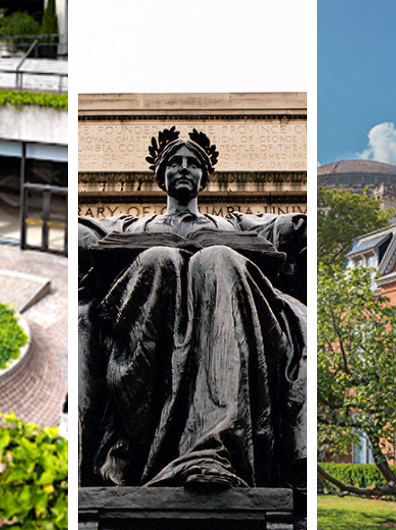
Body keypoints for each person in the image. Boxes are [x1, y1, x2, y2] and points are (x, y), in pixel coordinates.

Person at [79, 128, 306, 492]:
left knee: (216, 259)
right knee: (159, 259)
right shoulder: (130, 225)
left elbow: (288, 228)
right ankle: (132, 453)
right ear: (161, 174)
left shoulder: (233, 225)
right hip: (145, 311)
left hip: (224, 311)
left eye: (192, 163)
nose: (183, 168)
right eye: (174, 162)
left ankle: (213, 452)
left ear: (204, 175)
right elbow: (83, 232)